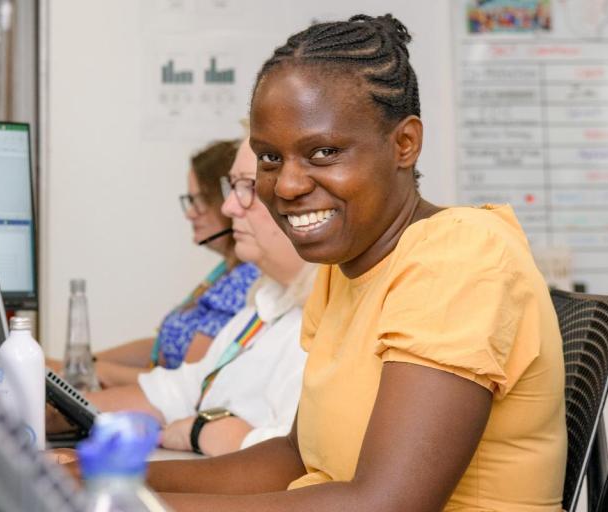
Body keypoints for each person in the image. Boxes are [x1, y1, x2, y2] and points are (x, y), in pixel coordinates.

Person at [142, 14, 567, 512]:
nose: (287, 186)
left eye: (323, 152)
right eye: (270, 157)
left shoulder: (460, 257)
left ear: (404, 144)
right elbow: (292, 460)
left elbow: (386, 504)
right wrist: (107, 479)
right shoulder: (345, 266)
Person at [83, 138, 314, 456]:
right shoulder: (264, 305)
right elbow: (178, 392)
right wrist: (53, 411)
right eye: (231, 187)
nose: (228, 207)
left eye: (247, 187)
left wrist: (202, 431)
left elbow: (299, 462)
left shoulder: (324, 326)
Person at [50, 140, 260, 387]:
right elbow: (162, 348)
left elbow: (189, 385)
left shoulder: (243, 279)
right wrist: (80, 363)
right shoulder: (225, 272)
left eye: (200, 200)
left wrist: (96, 370)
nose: (190, 213)